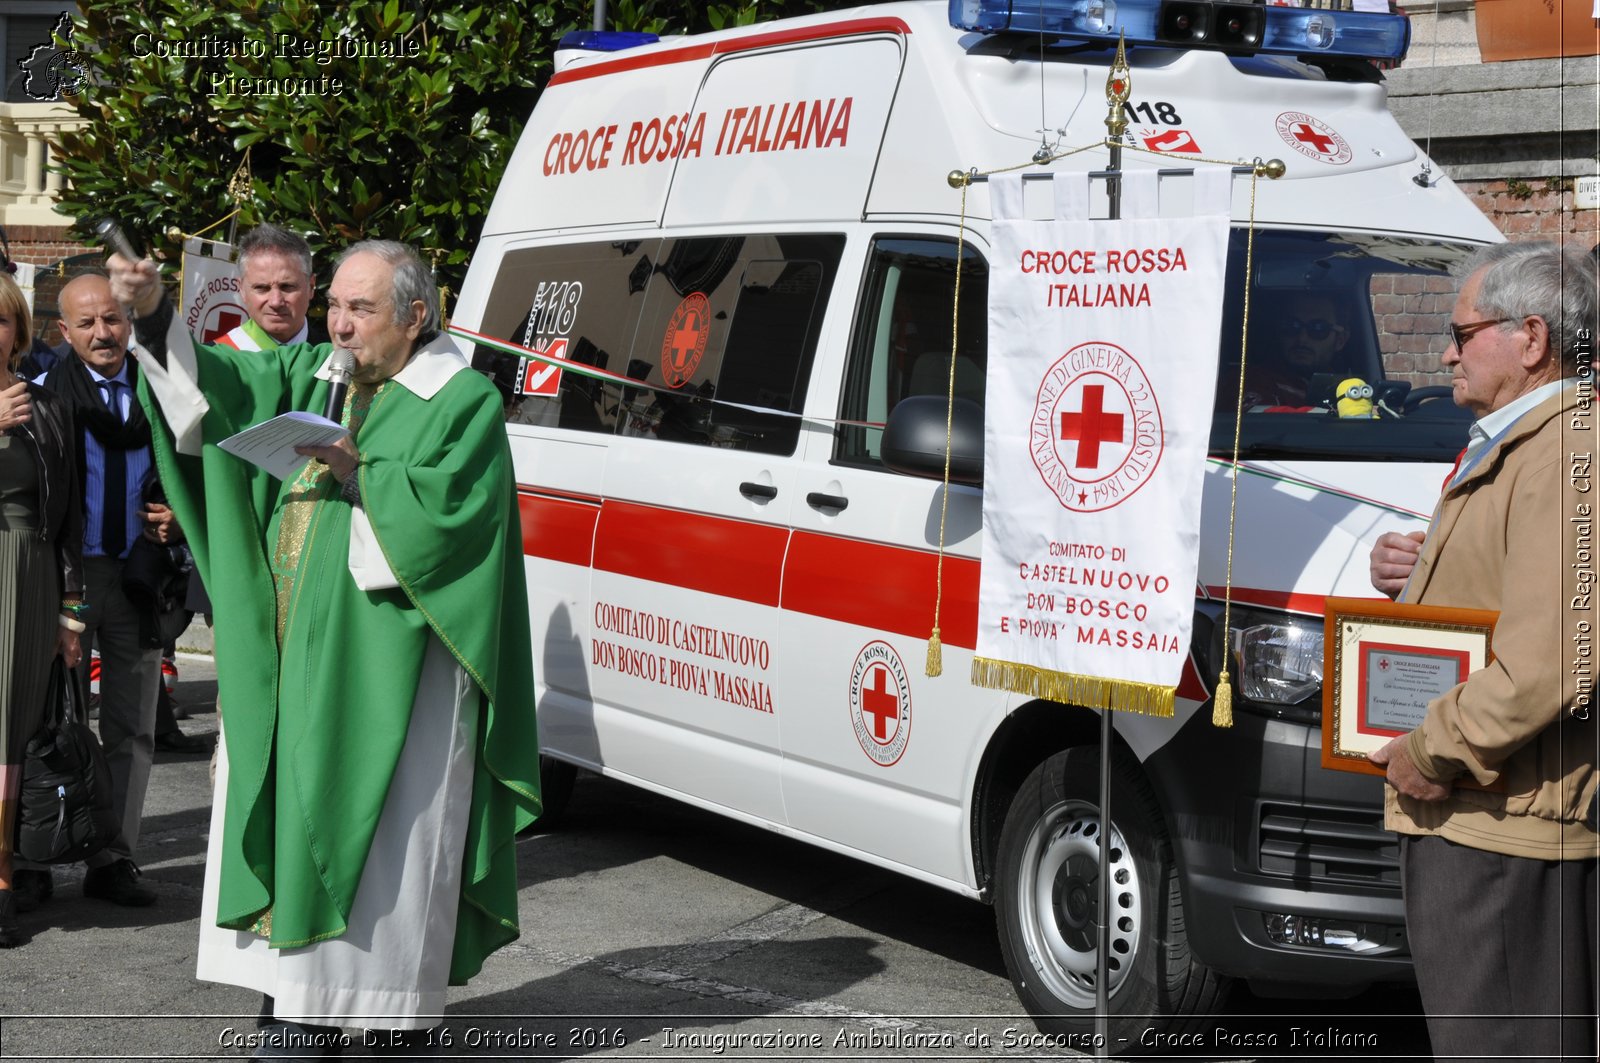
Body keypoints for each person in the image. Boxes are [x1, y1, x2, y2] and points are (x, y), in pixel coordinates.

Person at [109, 241, 541, 1055]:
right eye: (334, 305)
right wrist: (157, 314)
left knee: (386, 860)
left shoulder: (461, 399)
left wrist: (358, 475)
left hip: (395, 681)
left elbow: (454, 529)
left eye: (359, 310)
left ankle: (383, 1026)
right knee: (292, 830)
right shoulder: (319, 372)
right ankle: (293, 1011)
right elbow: (216, 395)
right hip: (291, 667)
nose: (338, 325)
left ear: (415, 317)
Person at [1367, 241, 1599, 1062]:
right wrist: (1419, 564)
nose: (1445, 351)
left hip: (1505, 824)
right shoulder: (1528, 440)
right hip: (1482, 816)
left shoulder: (1572, 452)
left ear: (1531, 338)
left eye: (1463, 332)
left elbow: (1557, 654)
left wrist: (1438, 748)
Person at [32, 273, 161, 909]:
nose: (102, 333)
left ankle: (115, 858)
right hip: (69, 578)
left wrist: (174, 516)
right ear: (65, 332)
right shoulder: (45, 394)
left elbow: (185, 463)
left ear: (128, 321)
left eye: (111, 319)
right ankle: (37, 856)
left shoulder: (158, 389)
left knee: (132, 727)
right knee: (53, 721)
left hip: (138, 575)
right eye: (86, 324)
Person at [0, 273, 83, 946]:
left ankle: (4, 870)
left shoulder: (50, 406)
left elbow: (67, 520)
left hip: (30, 581)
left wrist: (71, 613)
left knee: (15, 728)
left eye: (1, 320)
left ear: (19, 332)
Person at [218, 223, 326, 350]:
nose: (275, 302)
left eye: (287, 287)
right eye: (262, 288)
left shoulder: (337, 357)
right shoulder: (215, 361)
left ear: (311, 287)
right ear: (242, 290)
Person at [1239, 290, 1353, 408]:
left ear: (1340, 340)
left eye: (1318, 328)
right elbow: (1260, 422)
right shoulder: (1251, 380)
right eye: (1292, 326)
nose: (1302, 339)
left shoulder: (1349, 389)